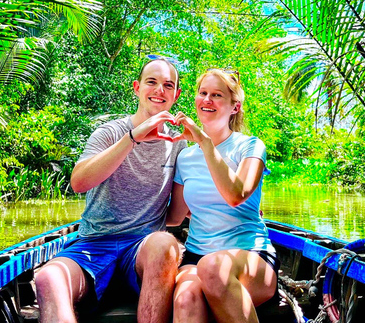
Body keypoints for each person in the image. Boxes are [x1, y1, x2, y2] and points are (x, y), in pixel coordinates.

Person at [34, 57, 187, 323]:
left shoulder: (179, 146)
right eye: (152, 82)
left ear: (176, 95)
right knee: (48, 277)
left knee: (165, 242)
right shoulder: (109, 132)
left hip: (143, 249)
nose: (159, 90)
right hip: (93, 243)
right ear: (137, 87)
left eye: (168, 85)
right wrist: (133, 138)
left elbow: (174, 218)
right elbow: (79, 183)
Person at [166, 68, 278, 323]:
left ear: (234, 107)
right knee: (185, 298)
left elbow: (235, 195)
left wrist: (204, 143)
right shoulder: (184, 157)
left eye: (216, 95)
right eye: (203, 93)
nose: (207, 99)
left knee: (214, 267)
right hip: (197, 255)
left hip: (250, 255)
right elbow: (174, 217)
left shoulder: (250, 146)